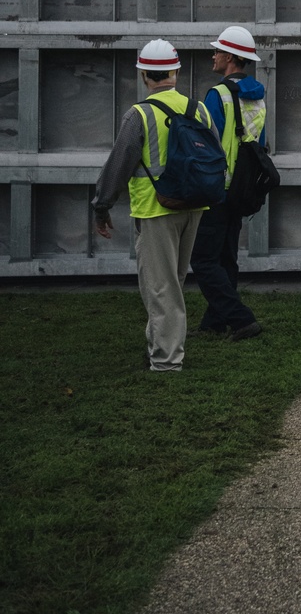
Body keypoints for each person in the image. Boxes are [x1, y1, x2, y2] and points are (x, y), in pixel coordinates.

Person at [92, 39, 215, 372]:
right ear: (175, 71)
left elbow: (118, 165)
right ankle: (158, 346)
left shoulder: (139, 115)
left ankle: (166, 361)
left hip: (156, 210)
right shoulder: (198, 109)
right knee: (171, 282)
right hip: (194, 206)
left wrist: (101, 206)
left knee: (161, 288)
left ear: (145, 74)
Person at [189, 25, 267, 342]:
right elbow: (259, 143)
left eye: (218, 51)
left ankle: (240, 319)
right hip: (242, 189)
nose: (214, 55)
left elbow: (206, 146)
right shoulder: (259, 95)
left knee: (203, 260)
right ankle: (214, 322)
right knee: (225, 258)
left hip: (217, 188)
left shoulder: (217, 94)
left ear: (231, 57)